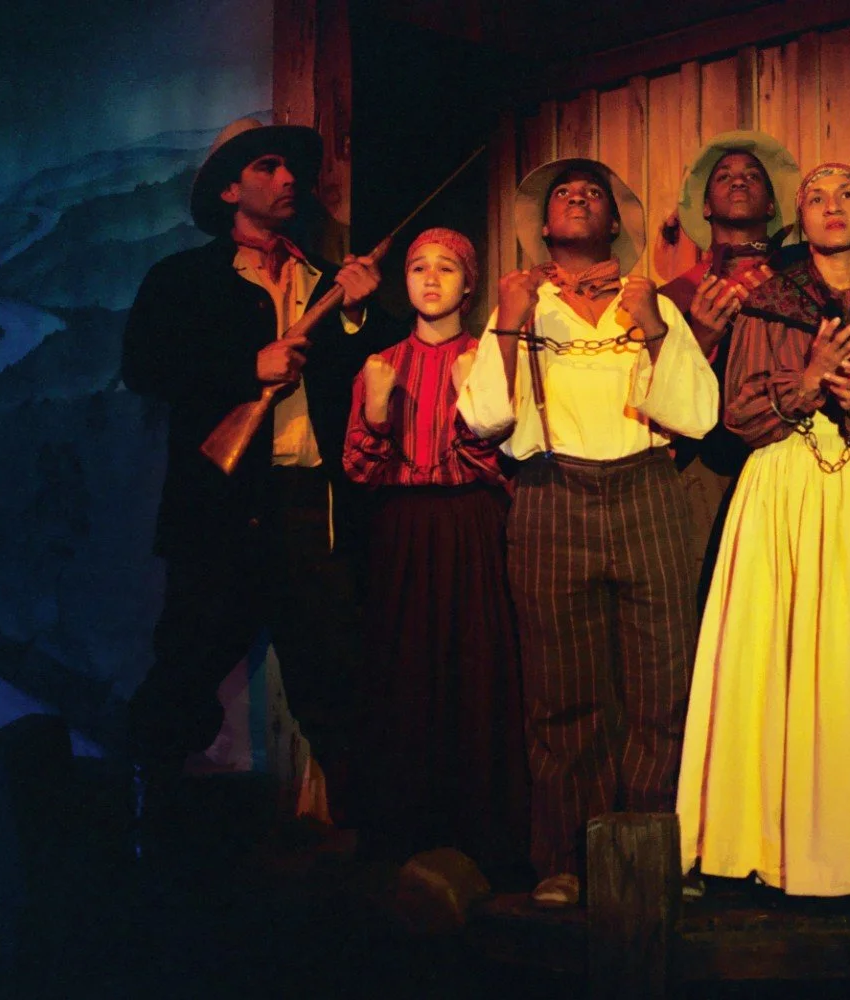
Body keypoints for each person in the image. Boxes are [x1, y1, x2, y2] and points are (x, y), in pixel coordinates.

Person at [676, 162, 850, 898]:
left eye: (847, 195)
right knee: (774, 657)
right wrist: (804, 385)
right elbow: (737, 416)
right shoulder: (769, 301)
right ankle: (763, 844)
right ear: (797, 220)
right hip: (783, 491)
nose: (832, 207)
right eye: (815, 196)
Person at [456, 158, 718, 906]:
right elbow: (482, 419)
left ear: (613, 225)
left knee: (661, 688)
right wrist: (507, 321)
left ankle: (647, 857)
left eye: (592, 194)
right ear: (543, 227)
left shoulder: (649, 301)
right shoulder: (522, 305)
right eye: (563, 195)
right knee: (562, 694)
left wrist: (655, 326)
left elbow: (697, 415)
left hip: (646, 489)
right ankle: (567, 860)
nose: (576, 199)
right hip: (549, 492)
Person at [122, 117, 382, 834]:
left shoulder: (324, 282)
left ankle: (365, 854)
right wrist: (250, 369)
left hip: (305, 503)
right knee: (185, 670)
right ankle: (148, 832)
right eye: (268, 167)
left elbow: (374, 382)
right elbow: (144, 368)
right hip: (218, 509)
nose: (289, 178)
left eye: (291, 168)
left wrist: (356, 317)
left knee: (334, 677)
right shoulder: (181, 280)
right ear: (231, 188)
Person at [341, 228, 529, 876]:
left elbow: (497, 458)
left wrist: (472, 394)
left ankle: (482, 836)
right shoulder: (383, 360)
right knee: (403, 668)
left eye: (445, 268)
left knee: (474, 667)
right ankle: (400, 833)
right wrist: (373, 408)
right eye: (418, 267)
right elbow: (360, 471)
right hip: (401, 530)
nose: (428, 278)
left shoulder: (486, 356)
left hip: (470, 528)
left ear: (469, 283)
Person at [658, 131, 799, 597]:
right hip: (706, 471)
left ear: (773, 206)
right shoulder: (673, 297)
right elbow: (656, 404)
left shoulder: (803, 283)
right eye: (725, 176)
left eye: (752, 176)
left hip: (791, 462)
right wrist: (700, 336)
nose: (738, 182)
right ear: (705, 206)